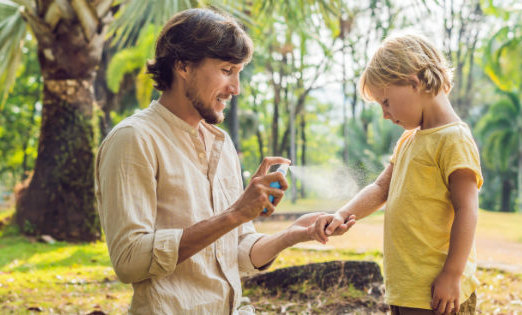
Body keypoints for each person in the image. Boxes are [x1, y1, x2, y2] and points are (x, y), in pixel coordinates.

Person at [94, 8, 355, 315]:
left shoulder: (221, 143)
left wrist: (294, 233)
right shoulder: (134, 139)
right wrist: (234, 214)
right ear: (183, 66)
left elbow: (237, 253)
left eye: (239, 73)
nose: (236, 89)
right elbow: (129, 261)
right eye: (227, 70)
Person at [310, 33, 483, 315]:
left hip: (438, 292)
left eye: (386, 102)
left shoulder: (454, 139)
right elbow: (380, 189)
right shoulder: (409, 140)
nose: (385, 114)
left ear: (414, 83)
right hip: (407, 288)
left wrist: (452, 275)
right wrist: (342, 213)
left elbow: (468, 210)